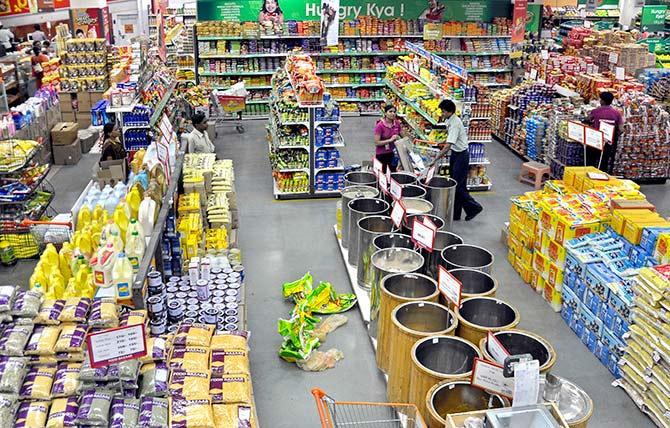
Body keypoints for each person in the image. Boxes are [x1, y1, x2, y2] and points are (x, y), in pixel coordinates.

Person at [427, 100, 483, 221]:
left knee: (457, 186)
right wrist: (440, 143)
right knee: (456, 184)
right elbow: (449, 142)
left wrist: (435, 159)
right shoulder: (450, 120)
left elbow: (448, 146)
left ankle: (474, 207)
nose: (441, 113)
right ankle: (456, 214)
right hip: (456, 154)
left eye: (443, 111)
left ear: (450, 111)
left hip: (461, 156)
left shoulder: (455, 123)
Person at [583, 91, 624, 174]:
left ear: (602, 101)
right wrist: (613, 136)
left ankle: (590, 176)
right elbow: (621, 129)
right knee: (604, 162)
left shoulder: (595, 111)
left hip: (594, 141)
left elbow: (587, 119)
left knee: (590, 161)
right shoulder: (617, 114)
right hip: (608, 142)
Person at [373, 104, 403, 172]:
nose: (393, 114)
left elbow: (403, 136)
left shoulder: (397, 124)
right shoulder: (380, 126)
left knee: (393, 173)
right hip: (382, 154)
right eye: (390, 111)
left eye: (394, 112)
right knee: (382, 174)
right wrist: (390, 140)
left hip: (394, 154)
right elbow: (376, 143)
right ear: (385, 113)